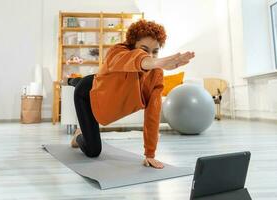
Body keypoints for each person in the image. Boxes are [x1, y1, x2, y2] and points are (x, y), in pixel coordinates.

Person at [67, 19, 195, 169]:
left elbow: (153, 114)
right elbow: (136, 60)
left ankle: (74, 81)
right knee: (93, 151)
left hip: (102, 85)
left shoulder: (156, 75)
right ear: (132, 45)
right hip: (87, 93)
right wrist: (157, 62)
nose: (151, 55)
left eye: (155, 51)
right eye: (144, 49)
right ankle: (78, 132)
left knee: (92, 80)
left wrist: (150, 154)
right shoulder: (118, 52)